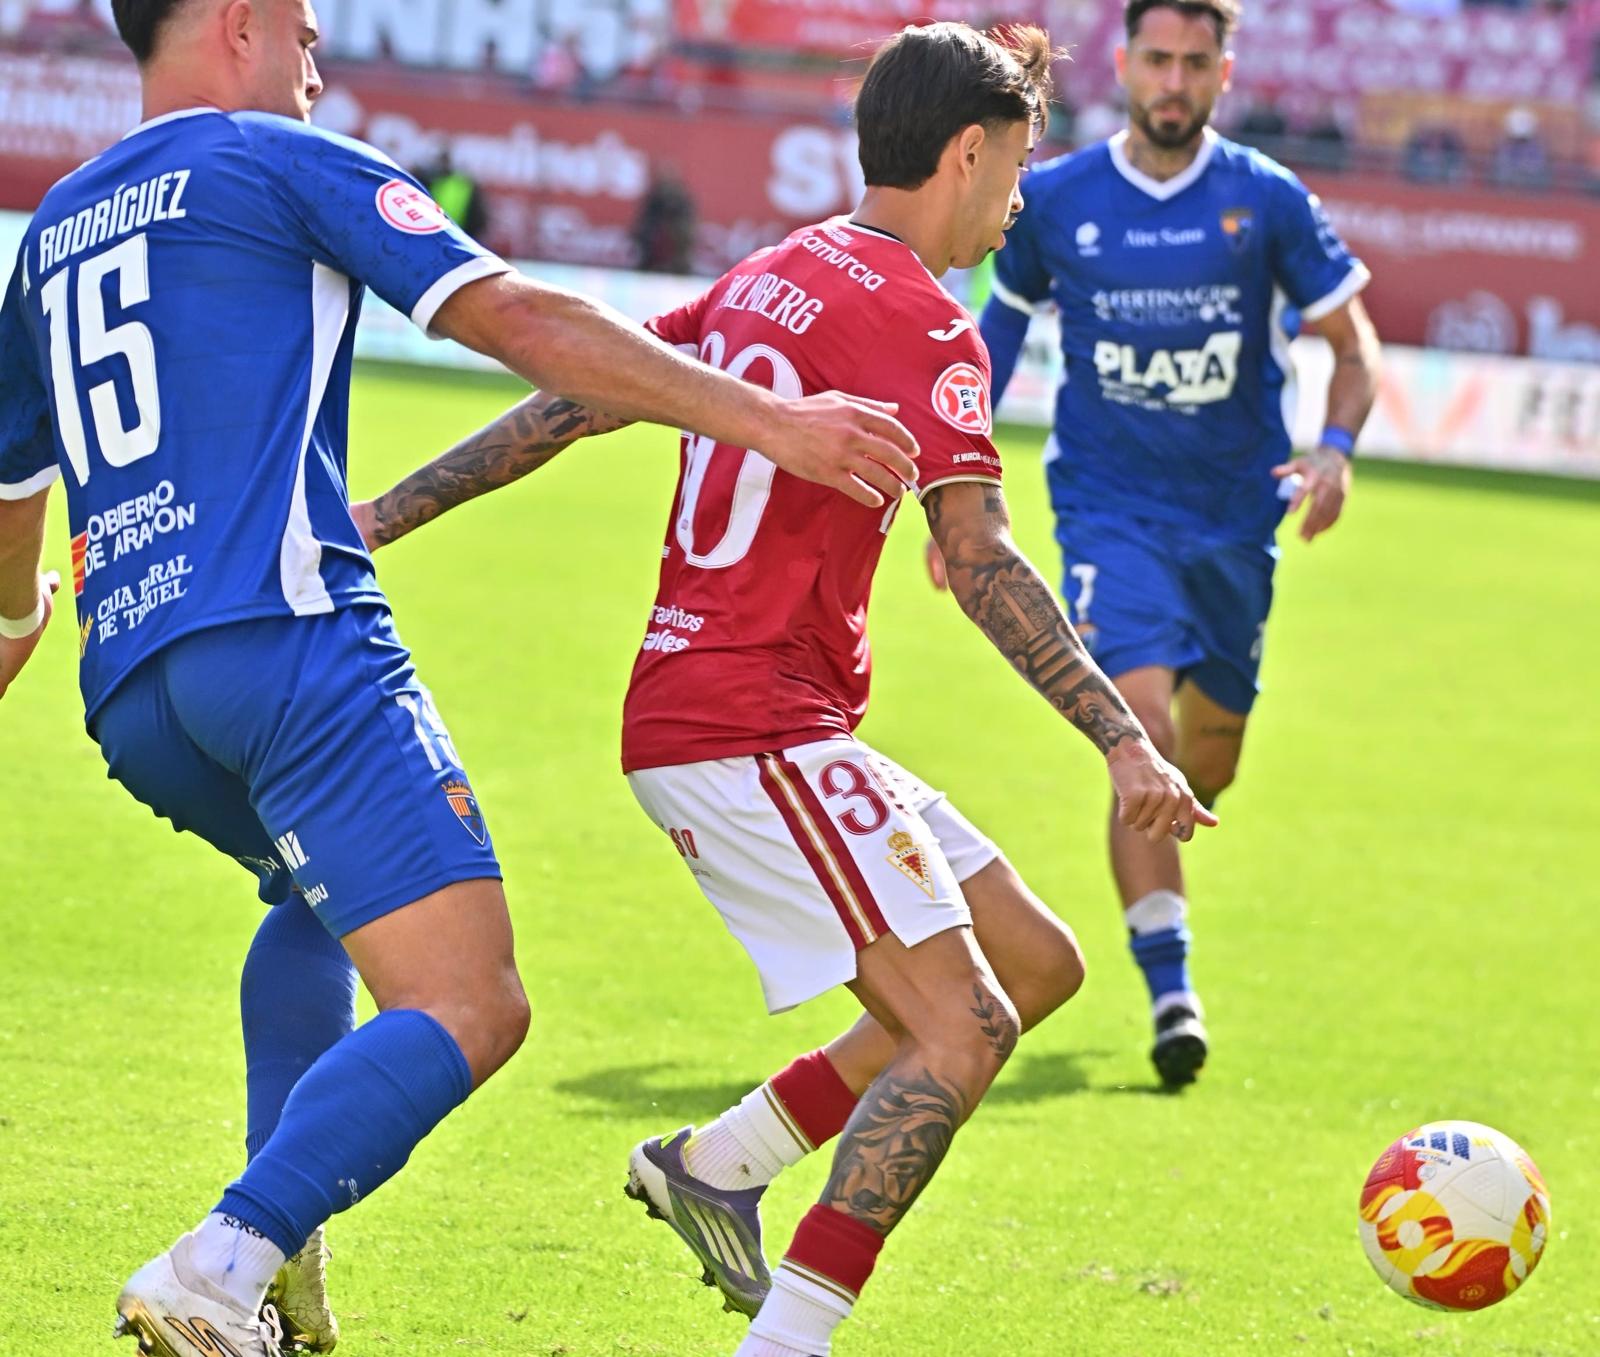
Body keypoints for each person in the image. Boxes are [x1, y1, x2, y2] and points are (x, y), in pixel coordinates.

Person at [0, 0, 919, 1353]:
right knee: (471, 1000)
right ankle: (221, 1259)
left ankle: (274, 1250)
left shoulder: (52, 237)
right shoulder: (274, 157)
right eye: (308, 28)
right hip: (289, 640)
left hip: (132, 688)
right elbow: (519, 316)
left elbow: (14, 520)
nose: (320, 59)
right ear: (241, 22)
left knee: (311, 900)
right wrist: (769, 417)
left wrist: (23, 618)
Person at [354, 23, 1215, 1355]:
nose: (1022, 193)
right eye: (1021, 160)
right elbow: (978, 561)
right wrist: (1119, 736)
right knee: (964, 1024)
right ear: (968, 151)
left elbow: (578, 397)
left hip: (753, 716)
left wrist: (388, 511)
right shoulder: (928, 321)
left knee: (1036, 963)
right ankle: (789, 1340)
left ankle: (721, 1161)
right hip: (746, 725)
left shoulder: (776, 269)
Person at [974, 0, 1381, 1088]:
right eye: (1156, 58)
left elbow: (1352, 345)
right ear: (1122, 63)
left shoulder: (1265, 198)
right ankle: (1171, 991)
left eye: (1194, 63)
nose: (1172, 79)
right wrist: (952, 484)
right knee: (1139, 732)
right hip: (1108, 509)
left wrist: (1335, 448)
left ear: (1223, 73)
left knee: (1207, 763)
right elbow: (992, 336)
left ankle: (1166, 854)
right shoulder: (1055, 199)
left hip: (1235, 520)